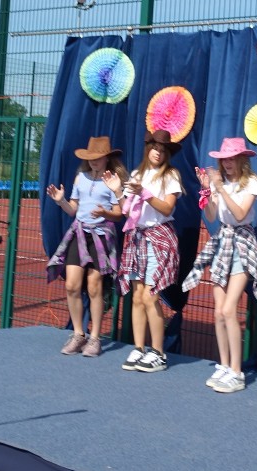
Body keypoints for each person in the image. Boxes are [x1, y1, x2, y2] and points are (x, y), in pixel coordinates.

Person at [182, 137, 257, 393]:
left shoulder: (251, 182)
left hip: (242, 243)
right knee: (218, 311)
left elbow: (240, 214)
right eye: (224, 159)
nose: (227, 163)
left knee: (229, 309)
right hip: (222, 240)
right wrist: (208, 192)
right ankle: (225, 365)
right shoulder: (219, 184)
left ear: (242, 160)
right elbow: (210, 216)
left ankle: (237, 373)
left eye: (232, 159)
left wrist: (220, 187)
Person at [106, 129, 182, 373]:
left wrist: (146, 194)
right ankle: (139, 348)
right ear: (148, 149)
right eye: (154, 148)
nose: (158, 152)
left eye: (162, 150)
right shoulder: (137, 174)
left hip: (159, 237)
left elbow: (167, 208)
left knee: (151, 296)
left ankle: (158, 353)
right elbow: (127, 210)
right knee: (137, 296)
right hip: (136, 237)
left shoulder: (170, 175)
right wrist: (118, 191)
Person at [46, 136, 127, 357]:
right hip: (79, 234)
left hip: (101, 237)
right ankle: (78, 334)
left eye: (98, 157)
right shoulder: (80, 177)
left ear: (107, 158)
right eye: (91, 157)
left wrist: (105, 213)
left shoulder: (113, 181)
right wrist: (61, 200)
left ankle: (95, 339)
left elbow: (119, 214)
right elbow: (73, 210)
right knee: (72, 285)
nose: (94, 161)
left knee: (94, 287)